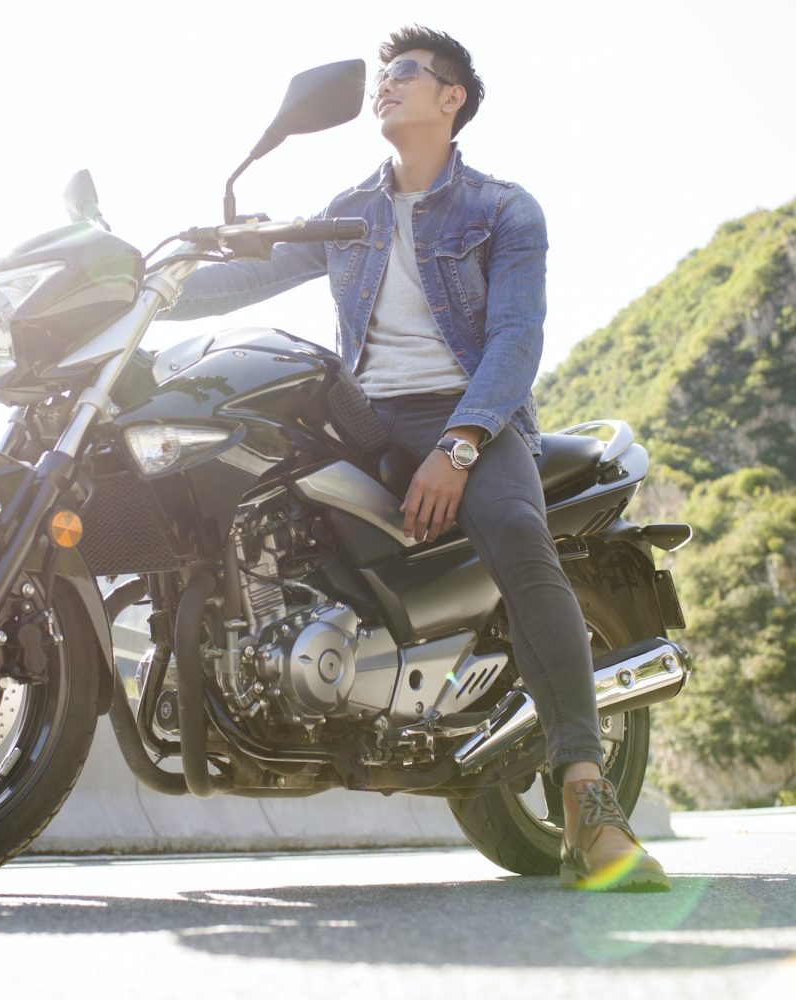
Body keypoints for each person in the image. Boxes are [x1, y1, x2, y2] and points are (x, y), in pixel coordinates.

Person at [165, 25, 668, 892]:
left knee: (516, 532)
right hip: (361, 412)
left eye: (404, 75)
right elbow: (248, 278)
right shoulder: (350, 210)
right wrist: (143, 282)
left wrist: (463, 444)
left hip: (472, 411)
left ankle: (587, 792)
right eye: (382, 77)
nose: (383, 87)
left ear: (452, 99)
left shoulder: (503, 208)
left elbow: (514, 341)